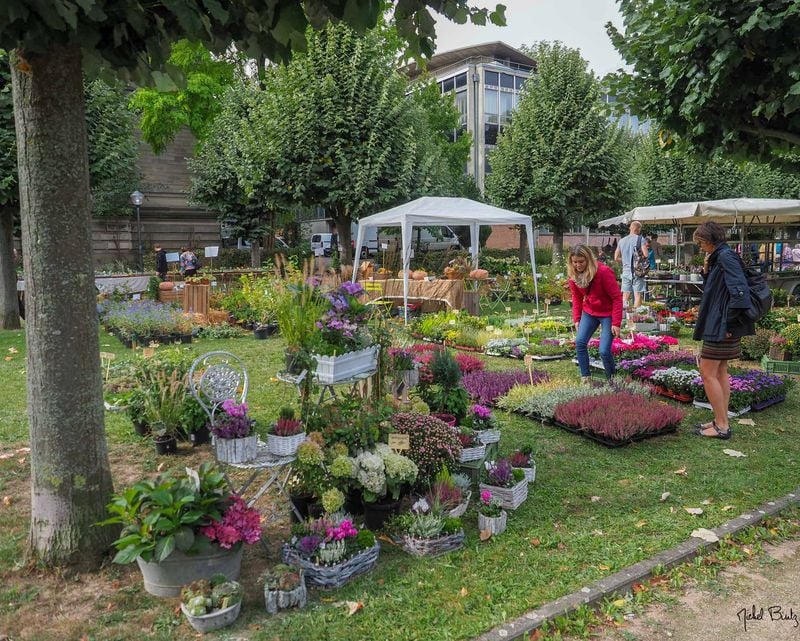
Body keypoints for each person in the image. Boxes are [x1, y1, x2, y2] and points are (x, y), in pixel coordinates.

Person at [692, 221, 754, 440]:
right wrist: (707, 270)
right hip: (722, 322)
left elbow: (740, 293)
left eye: (700, 243)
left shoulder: (726, 257)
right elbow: (718, 288)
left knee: (707, 372)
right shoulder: (721, 256)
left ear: (709, 240)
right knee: (719, 372)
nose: (700, 247)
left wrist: (728, 324)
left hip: (722, 324)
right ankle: (720, 419)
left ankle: (722, 425)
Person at [568, 244, 623, 382]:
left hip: (607, 313)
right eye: (575, 262)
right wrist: (577, 318)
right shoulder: (574, 275)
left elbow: (617, 297)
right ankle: (585, 377)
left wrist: (616, 323)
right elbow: (576, 297)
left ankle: (613, 380)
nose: (578, 265)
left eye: (581, 261)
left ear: (588, 259)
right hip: (590, 312)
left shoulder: (604, 272)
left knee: (604, 350)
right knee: (580, 342)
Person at [614, 221, 649, 309]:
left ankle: (624, 314)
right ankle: (636, 315)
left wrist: (626, 260)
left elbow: (616, 258)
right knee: (637, 295)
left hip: (625, 272)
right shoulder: (640, 239)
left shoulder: (622, 241)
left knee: (625, 295)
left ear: (630, 228)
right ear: (639, 229)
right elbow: (646, 255)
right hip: (637, 272)